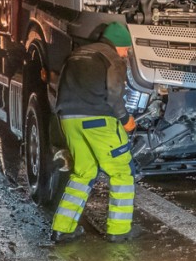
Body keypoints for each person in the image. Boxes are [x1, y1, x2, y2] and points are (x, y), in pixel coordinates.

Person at [50, 21, 138, 244]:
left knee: (83, 173)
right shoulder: (112, 59)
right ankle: (119, 230)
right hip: (98, 121)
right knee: (122, 171)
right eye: (126, 49)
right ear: (118, 45)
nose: (126, 53)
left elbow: (59, 87)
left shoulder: (76, 54)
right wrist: (126, 120)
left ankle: (62, 228)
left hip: (69, 120)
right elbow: (114, 95)